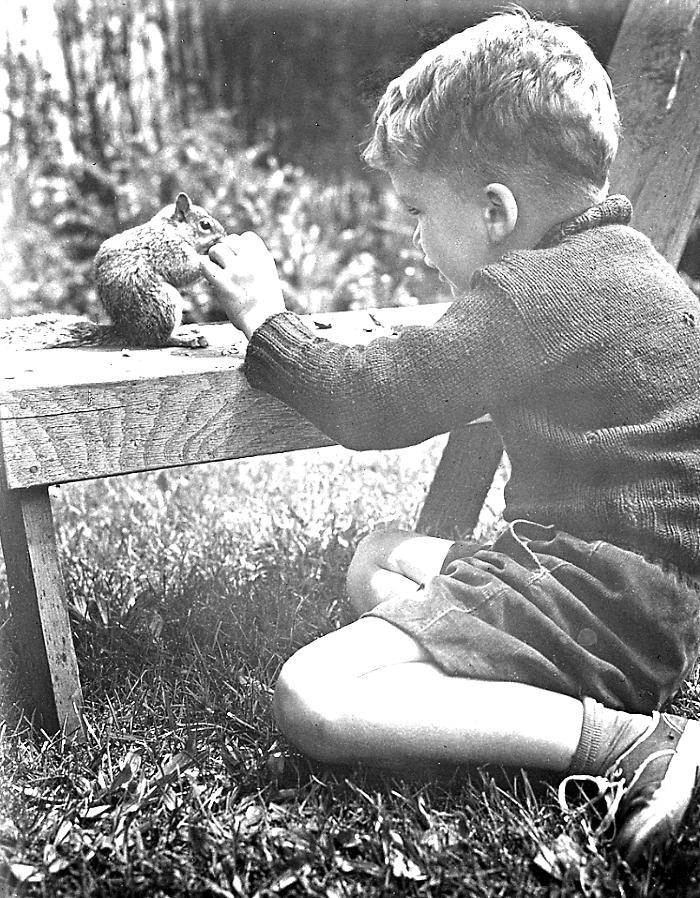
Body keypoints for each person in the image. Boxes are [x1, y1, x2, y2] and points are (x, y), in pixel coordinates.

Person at [201, 8, 700, 861]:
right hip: (645, 603)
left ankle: (632, 749)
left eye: (419, 211)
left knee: (311, 696)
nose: (416, 238)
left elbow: (373, 401)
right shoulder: (643, 273)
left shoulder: (526, 295)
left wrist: (265, 318)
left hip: (588, 605)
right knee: (380, 557)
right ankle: (540, 702)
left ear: (495, 211)